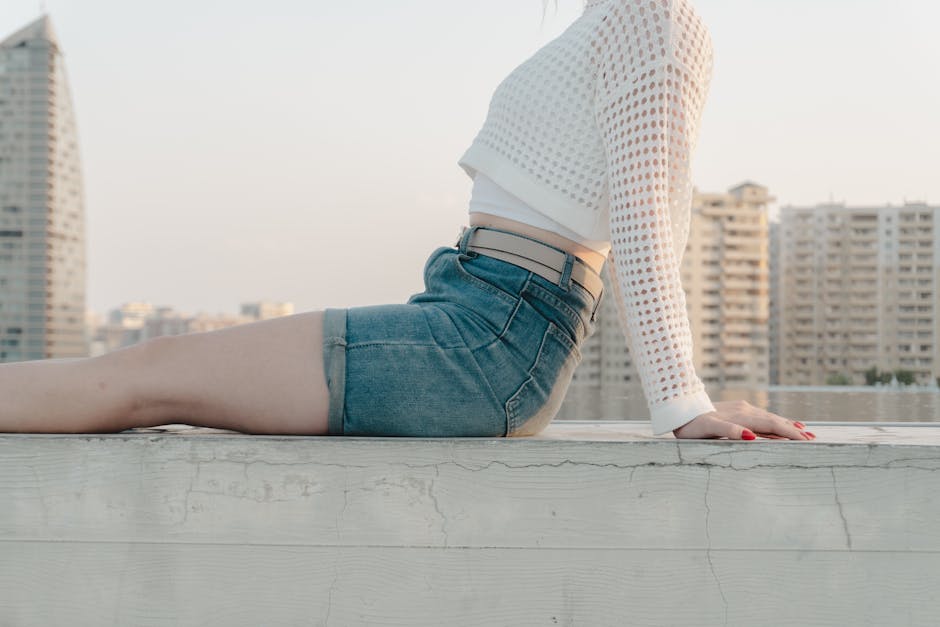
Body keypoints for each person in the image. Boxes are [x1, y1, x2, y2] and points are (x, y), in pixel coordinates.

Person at [0, 0, 814, 442]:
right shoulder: (615, 16)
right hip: (474, 311)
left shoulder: (658, 18)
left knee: (151, 378)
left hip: (496, 337)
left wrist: (683, 400)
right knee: (152, 371)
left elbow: (648, 216)